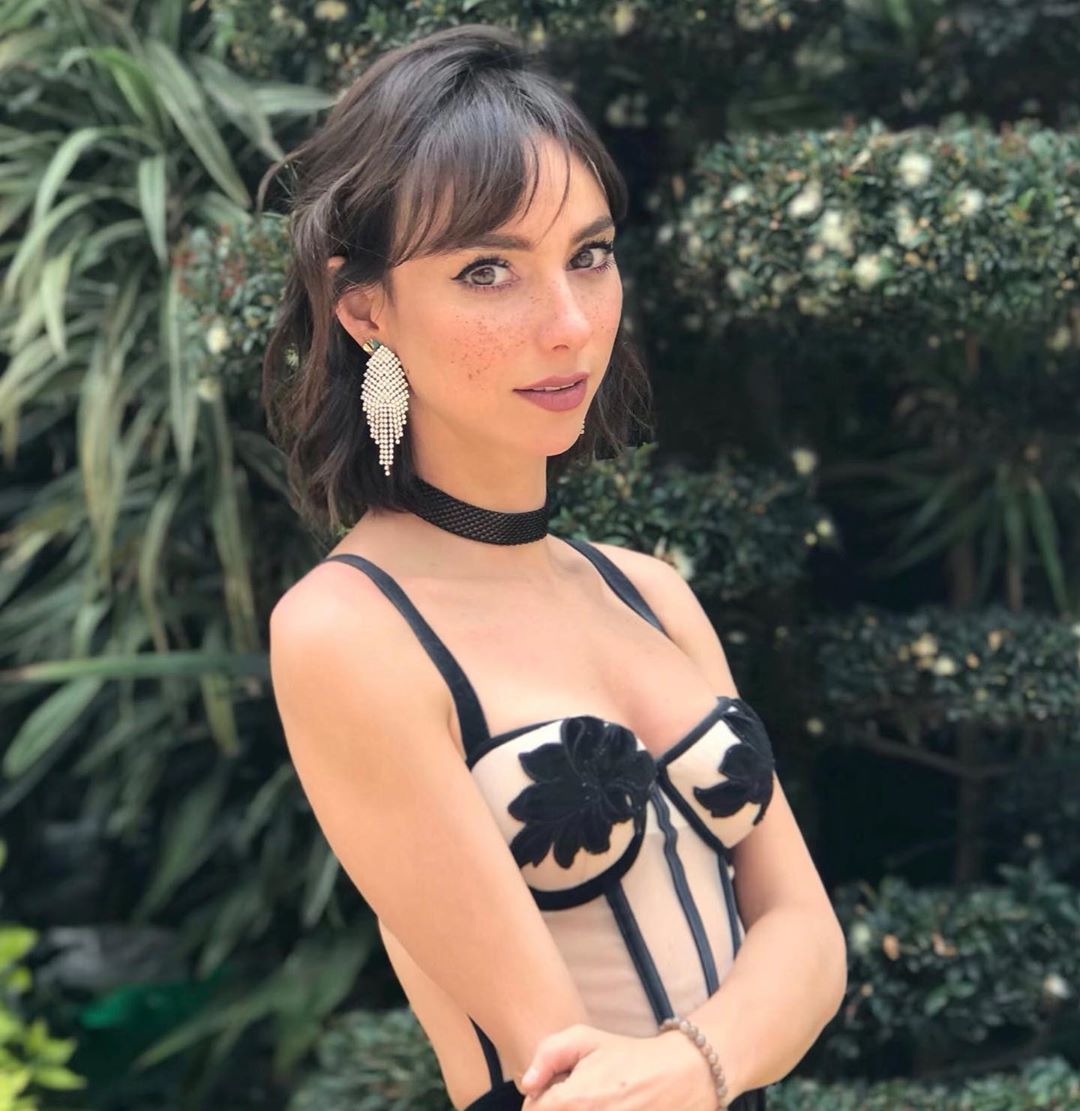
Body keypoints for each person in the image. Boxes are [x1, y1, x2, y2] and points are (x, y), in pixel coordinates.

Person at [263, 23, 846, 1111]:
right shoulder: (348, 631)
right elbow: (564, 1070)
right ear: (366, 309)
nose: (570, 323)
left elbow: (808, 936)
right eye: (488, 270)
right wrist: (717, 1053)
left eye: (588, 254)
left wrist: (694, 1062)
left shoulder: (649, 593)